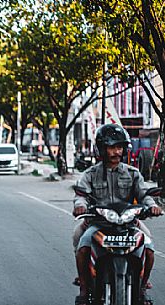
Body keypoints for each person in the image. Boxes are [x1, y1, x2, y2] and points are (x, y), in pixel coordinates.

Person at [72, 124, 162, 305]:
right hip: (98, 223)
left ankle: (142, 286)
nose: (116, 152)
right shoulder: (90, 174)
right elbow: (81, 196)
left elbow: (144, 195)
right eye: (111, 147)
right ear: (101, 149)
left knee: (150, 248)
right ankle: (83, 286)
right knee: (81, 245)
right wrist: (80, 206)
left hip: (129, 223)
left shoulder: (133, 173)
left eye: (119, 147)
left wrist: (152, 207)